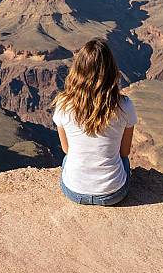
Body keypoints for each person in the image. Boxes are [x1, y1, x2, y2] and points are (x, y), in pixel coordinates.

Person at [52, 38, 137, 205]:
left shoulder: (63, 103)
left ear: (77, 70)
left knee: (67, 159)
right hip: (113, 194)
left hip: (74, 192)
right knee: (124, 162)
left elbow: (66, 148)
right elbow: (124, 152)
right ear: (111, 70)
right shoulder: (125, 105)